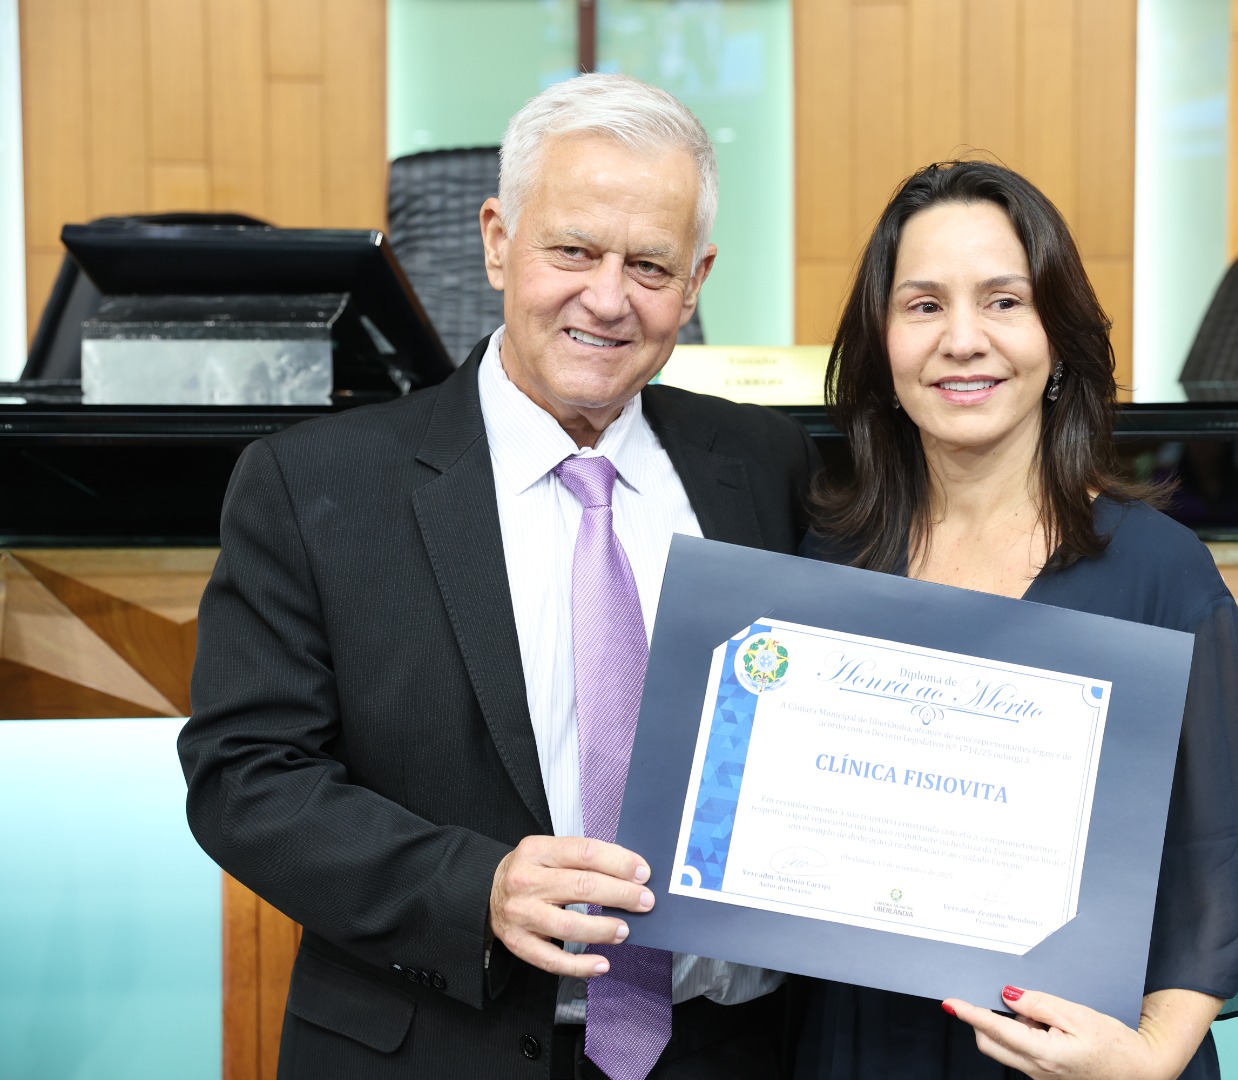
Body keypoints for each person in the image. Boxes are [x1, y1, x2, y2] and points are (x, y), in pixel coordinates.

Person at [178, 74, 819, 1080]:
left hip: (722, 1050)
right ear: (496, 241)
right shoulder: (312, 484)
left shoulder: (767, 467)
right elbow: (244, 778)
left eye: (650, 265)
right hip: (431, 1047)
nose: (607, 298)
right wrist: (475, 888)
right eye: (573, 251)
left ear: (695, 282)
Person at [794, 160, 1238, 1080]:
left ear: (1058, 337)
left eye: (1004, 302)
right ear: (881, 342)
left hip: (1079, 1054)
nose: (962, 340)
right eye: (923, 305)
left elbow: (1221, 853)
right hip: (868, 1042)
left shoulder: (1158, 571)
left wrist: (1149, 1058)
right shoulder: (829, 560)